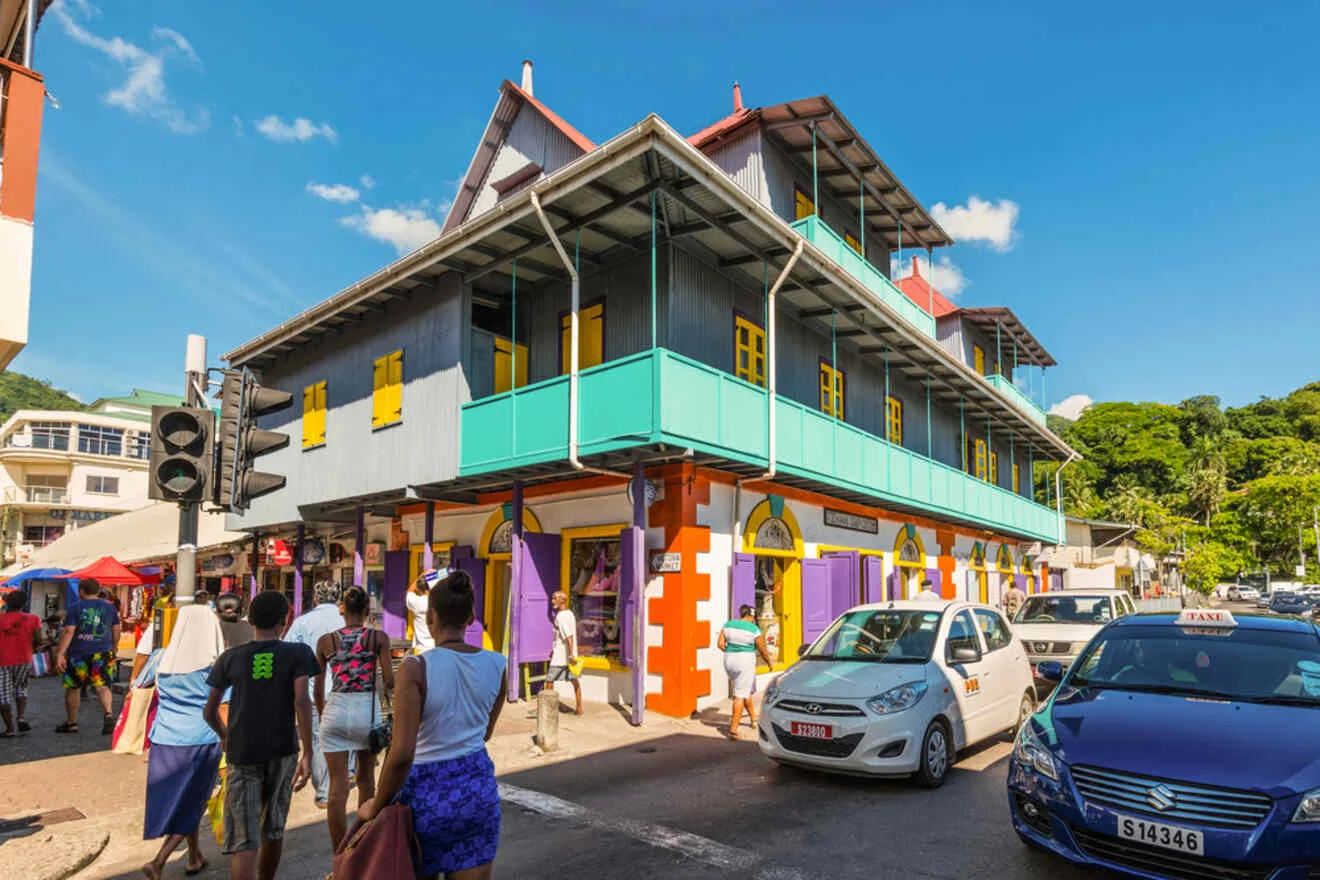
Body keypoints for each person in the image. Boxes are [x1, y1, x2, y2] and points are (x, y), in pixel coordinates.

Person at [360, 570, 507, 880]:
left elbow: (401, 755)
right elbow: (485, 732)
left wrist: (375, 806)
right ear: (471, 617)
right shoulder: (498, 665)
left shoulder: (415, 668)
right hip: (477, 789)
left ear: (431, 618)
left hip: (424, 797)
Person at [204, 590, 318, 880]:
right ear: (285, 620)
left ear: (251, 620)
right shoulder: (298, 653)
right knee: (274, 827)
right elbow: (302, 700)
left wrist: (224, 735)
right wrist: (308, 751)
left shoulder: (231, 658)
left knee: (245, 836)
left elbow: (210, 710)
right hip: (282, 748)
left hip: (242, 750)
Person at [140, 605, 226, 880]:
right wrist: (228, 738)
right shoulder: (216, 666)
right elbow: (223, 707)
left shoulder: (161, 658)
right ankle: (159, 861)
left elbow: (139, 684)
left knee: (184, 798)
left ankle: (193, 856)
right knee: (195, 800)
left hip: (164, 739)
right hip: (202, 739)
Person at [314, 585, 395, 851]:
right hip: (366, 712)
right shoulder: (378, 638)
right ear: (366, 611)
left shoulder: (326, 642)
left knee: (337, 790)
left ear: (342, 610)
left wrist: (324, 711)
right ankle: (361, 844)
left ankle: (339, 853)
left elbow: (317, 688)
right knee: (365, 781)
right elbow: (390, 680)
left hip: (335, 710)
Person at [282, 580, 346, 809]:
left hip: (313, 691)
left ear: (316, 598)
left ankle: (324, 793)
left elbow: (286, 653)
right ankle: (346, 777)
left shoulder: (302, 622)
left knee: (319, 740)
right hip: (344, 689)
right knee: (344, 735)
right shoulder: (347, 621)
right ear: (339, 598)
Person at [54, 577, 121, 735]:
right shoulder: (110, 608)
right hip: (103, 651)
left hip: (78, 653)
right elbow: (116, 629)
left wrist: (60, 653)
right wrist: (114, 646)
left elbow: (69, 631)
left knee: (73, 686)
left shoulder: (75, 608)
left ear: (81, 591)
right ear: (98, 591)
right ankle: (109, 715)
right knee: (102, 685)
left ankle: (72, 723)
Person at [717, 605, 773, 741]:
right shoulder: (754, 629)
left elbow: (720, 644)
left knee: (743, 690)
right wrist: (769, 662)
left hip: (729, 661)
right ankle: (733, 730)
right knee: (739, 696)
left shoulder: (728, 624)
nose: (754, 619)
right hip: (745, 661)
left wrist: (732, 652)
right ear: (750, 615)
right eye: (753, 617)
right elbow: (762, 649)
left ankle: (754, 719)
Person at [0, 591, 42, 736]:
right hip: (25, 658)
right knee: (21, 688)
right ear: (24, 603)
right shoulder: (33, 619)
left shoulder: (1, 619)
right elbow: (38, 639)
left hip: (3, 660)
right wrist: (34, 647)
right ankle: (21, 717)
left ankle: (10, 728)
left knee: (3, 694)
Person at [546, 590, 582, 716]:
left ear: (562, 600)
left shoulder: (560, 617)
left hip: (561, 656)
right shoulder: (570, 614)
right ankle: (579, 708)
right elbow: (560, 637)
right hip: (565, 654)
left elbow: (569, 637)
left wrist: (570, 655)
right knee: (574, 680)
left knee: (549, 681)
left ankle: (547, 710)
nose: (552, 601)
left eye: (555, 598)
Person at [407, 571, 436, 653]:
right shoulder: (440, 602)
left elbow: (410, 591)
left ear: (419, 589)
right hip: (438, 646)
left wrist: (423, 574)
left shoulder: (416, 602)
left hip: (422, 648)